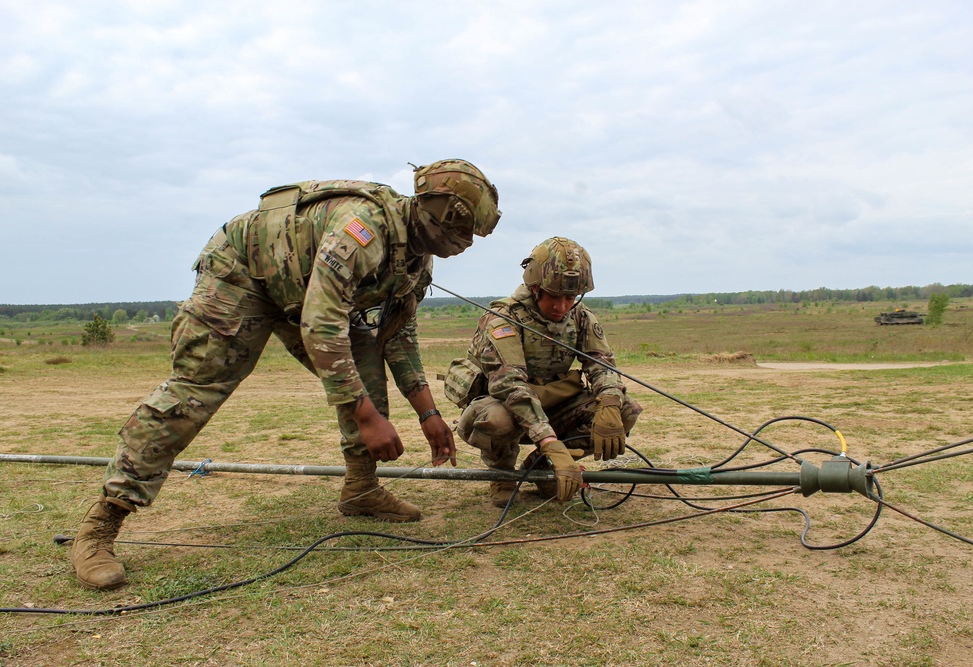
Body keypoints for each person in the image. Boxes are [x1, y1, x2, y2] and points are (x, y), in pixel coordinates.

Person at [71, 159, 501, 590]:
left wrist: (428, 413)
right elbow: (322, 326)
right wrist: (367, 418)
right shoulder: (362, 229)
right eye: (462, 232)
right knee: (198, 389)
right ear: (436, 212)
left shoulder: (415, 257)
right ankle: (102, 523)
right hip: (242, 275)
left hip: (300, 292)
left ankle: (361, 490)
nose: (466, 244)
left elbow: (396, 332)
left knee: (364, 360)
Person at [445, 237, 641, 507]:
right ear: (535, 288)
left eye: (570, 298)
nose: (561, 307)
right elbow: (510, 386)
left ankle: (543, 467)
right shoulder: (504, 318)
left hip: (554, 406)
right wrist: (548, 440)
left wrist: (609, 400)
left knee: (624, 410)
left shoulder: (581, 317)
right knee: (496, 419)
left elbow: (602, 364)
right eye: (554, 297)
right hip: (507, 408)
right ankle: (503, 473)